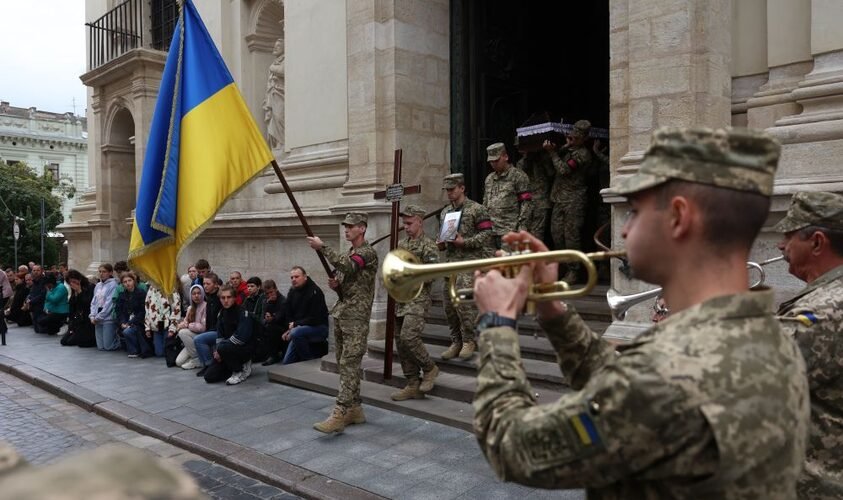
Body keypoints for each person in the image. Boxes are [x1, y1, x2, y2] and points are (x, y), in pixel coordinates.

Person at [471, 127, 810, 498]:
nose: (626, 229)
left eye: (634, 211)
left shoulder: (665, 373)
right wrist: (551, 306)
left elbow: (510, 444)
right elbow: (620, 385)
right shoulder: (774, 336)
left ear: (678, 217)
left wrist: (497, 321)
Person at [773, 191, 843, 498]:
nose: (780, 246)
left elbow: (744, 376)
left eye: (789, 236)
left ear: (816, 242)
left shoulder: (823, 311)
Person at [307, 212, 378, 433]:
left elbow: (348, 266)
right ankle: (354, 408)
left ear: (362, 228)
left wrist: (323, 247)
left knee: (349, 363)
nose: (346, 229)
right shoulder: (351, 252)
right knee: (343, 363)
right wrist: (336, 285)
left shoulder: (367, 252)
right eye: (345, 226)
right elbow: (347, 281)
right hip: (342, 313)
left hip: (356, 318)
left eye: (351, 226)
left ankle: (340, 412)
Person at [437, 173, 494, 360]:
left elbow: (487, 235)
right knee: (449, 306)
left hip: (470, 263)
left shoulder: (477, 209)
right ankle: (456, 341)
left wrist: (466, 242)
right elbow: (445, 238)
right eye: (447, 190)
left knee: (464, 305)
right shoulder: (445, 212)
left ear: (462, 188)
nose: (449, 194)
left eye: (452, 189)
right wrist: (441, 243)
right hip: (451, 264)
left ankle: (469, 340)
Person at [389, 205, 440, 400]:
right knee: (401, 343)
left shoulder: (429, 245)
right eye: (404, 223)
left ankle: (430, 368)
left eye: (409, 223)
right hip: (401, 299)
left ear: (420, 221)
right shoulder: (402, 244)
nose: (406, 227)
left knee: (409, 336)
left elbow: (432, 273)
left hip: (419, 299)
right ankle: (412, 384)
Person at [544, 119, 593, 283]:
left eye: (576, 138)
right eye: (571, 137)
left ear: (584, 138)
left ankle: (575, 271)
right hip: (558, 199)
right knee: (557, 235)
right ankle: (564, 267)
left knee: (571, 237)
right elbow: (551, 171)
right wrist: (561, 148)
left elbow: (564, 170)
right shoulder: (568, 150)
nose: (572, 140)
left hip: (574, 200)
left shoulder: (583, 154)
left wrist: (553, 153)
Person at [484, 142, 533, 248]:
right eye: (491, 161)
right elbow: (485, 203)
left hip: (510, 231)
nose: (493, 164)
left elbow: (526, 204)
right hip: (491, 232)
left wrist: (522, 228)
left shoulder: (518, 176)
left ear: (505, 157)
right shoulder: (489, 179)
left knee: (509, 263)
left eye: (496, 160)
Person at [206, 285, 255, 385]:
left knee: (223, 347)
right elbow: (219, 335)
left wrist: (221, 348)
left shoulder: (242, 313)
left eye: (229, 297)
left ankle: (239, 371)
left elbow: (241, 338)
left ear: (234, 298)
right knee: (209, 376)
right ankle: (233, 366)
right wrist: (217, 350)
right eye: (223, 298)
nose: (226, 300)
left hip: (244, 348)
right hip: (227, 349)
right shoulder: (221, 314)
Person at [281, 266, 330, 365]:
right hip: (300, 328)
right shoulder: (292, 291)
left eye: (297, 277)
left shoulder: (315, 292)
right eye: (292, 277)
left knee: (296, 333)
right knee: (287, 363)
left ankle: (308, 361)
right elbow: (288, 311)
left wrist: (295, 325)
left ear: (305, 277)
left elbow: (316, 318)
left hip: (319, 328)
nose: (294, 279)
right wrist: (290, 328)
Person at [516, 141, 555, 241]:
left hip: (541, 201)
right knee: (525, 233)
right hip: (527, 204)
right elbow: (519, 180)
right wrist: (527, 157)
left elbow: (551, 173)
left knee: (537, 233)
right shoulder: (521, 163)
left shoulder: (543, 159)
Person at [193, 273, 223, 377]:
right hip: (211, 329)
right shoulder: (209, 297)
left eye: (208, 283)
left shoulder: (220, 298)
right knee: (199, 338)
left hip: (220, 331)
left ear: (215, 285)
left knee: (198, 339)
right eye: (204, 283)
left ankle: (209, 365)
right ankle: (205, 365)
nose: (205, 286)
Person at [115, 272, 148, 358]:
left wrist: (130, 322)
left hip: (139, 321)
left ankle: (135, 350)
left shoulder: (141, 293)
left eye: (129, 280)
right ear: (122, 284)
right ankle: (132, 349)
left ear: (134, 281)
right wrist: (122, 322)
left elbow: (143, 311)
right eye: (125, 282)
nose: (127, 283)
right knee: (125, 330)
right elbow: (119, 311)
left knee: (127, 331)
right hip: (126, 321)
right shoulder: (122, 295)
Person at [143, 285, 182, 358]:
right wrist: (147, 327)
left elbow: (176, 310)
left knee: (166, 351)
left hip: (167, 325)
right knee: (159, 353)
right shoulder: (151, 289)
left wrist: (172, 329)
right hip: (156, 326)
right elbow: (147, 308)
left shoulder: (171, 289)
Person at [60, 270, 96, 347]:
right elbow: (72, 306)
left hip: (87, 319)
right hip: (77, 320)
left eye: (74, 281)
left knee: (80, 343)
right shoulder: (74, 290)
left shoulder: (90, 287)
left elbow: (87, 303)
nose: (72, 284)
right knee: (64, 341)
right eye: (70, 282)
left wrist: (79, 291)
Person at [175, 284, 206, 369]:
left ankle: (197, 359)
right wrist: (181, 325)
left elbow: (202, 327)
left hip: (201, 336)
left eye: (199, 293)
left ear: (202, 294)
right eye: (194, 294)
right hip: (192, 337)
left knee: (183, 332)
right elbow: (185, 321)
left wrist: (187, 326)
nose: (196, 296)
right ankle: (196, 355)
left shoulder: (205, 306)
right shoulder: (190, 308)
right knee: (178, 362)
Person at [257, 279, 287, 366]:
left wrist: (272, 319)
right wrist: (266, 320)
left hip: (282, 327)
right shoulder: (265, 301)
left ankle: (273, 355)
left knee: (271, 328)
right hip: (270, 324)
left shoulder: (283, 301)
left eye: (271, 292)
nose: (270, 295)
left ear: (276, 289)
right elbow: (263, 318)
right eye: (267, 293)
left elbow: (281, 317)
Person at [90, 264, 119, 350]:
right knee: (101, 347)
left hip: (107, 319)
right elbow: (94, 302)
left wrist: (99, 317)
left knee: (108, 347)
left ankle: (121, 341)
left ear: (110, 273)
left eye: (104, 272)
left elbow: (109, 304)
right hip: (97, 319)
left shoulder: (113, 285)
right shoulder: (98, 285)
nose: (101, 274)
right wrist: (92, 316)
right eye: (100, 271)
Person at [263, 38, 285, 149]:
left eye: (278, 46)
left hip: (281, 94)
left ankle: (282, 142)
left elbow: (283, 71)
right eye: (275, 46)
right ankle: (277, 144)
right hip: (272, 95)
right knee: (274, 119)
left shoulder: (285, 60)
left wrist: (272, 68)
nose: (275, 48)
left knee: (280, 117)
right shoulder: (274, 63)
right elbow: (269, 83)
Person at [26, 265, 47, 332]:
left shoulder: (44, 281)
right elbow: (32, 293)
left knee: (41, 329)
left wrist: (31, 301)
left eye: (38, 270)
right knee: (37, 330)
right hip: (34, 308)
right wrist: (29, 299)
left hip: (42, 308)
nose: (36, 272)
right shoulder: (34, 282)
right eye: (34, 270)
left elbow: (43, 295)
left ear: (42, 271)